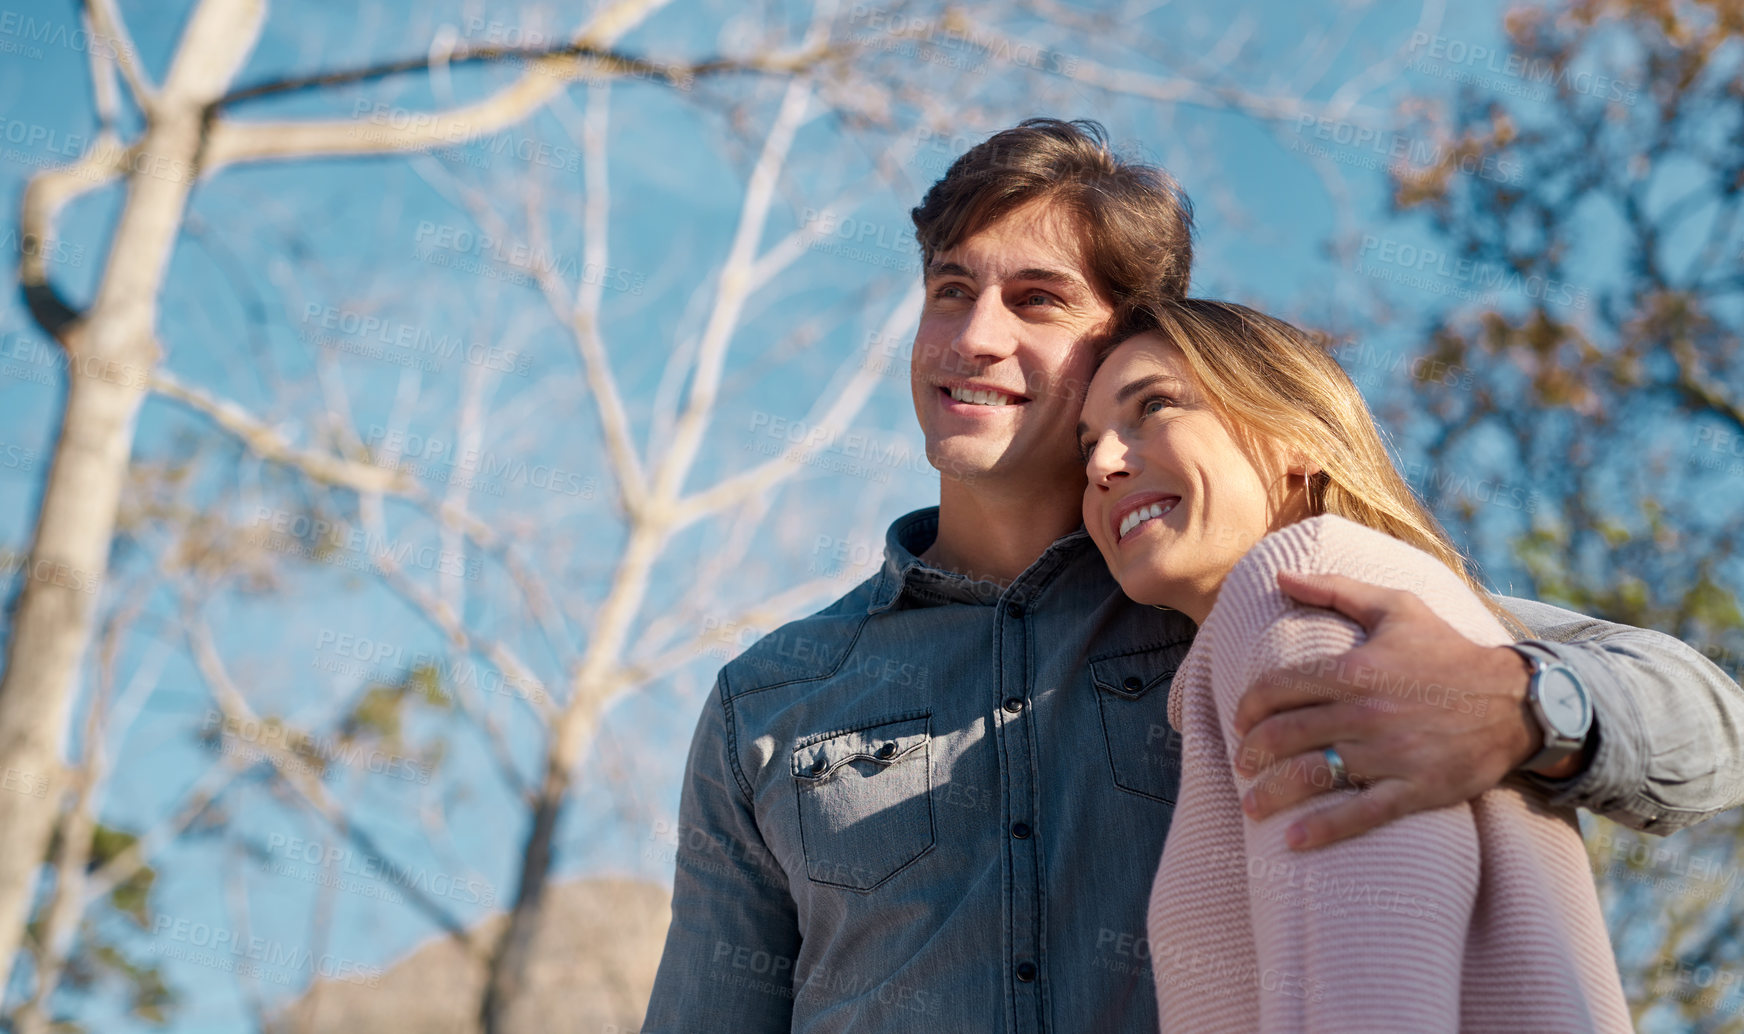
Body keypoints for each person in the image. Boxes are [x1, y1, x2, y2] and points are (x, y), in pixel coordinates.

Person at [642, 119, 1744, 1034]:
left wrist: (1522, 705)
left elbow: (1713, 725)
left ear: (1121, 347)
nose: (971, 337)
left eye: (1036, 300)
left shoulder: (1257, 593)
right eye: (948, 288)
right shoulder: (772, 695)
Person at [1078, 297, 1632, 1032]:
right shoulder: (1381, 601)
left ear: (1297, 435)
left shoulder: (1302, 594)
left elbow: (1364, 993)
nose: (1104, 465)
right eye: (1084, 447)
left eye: (1153, 406)